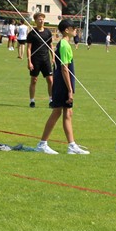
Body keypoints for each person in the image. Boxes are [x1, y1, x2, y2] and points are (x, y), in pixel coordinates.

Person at [36, 21, 88, 155]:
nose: (76, 30)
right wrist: (70, 90)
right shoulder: (64, 45)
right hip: (62, 84)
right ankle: (42, 144)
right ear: (66, 30)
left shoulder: (65, 44)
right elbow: (65, 69)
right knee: (57, 112)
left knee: (68, 113)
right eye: (73, 28)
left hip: (64, 83)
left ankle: (71, 145)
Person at [25, 12, 54, 108]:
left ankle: (51, 100)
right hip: (35, 60)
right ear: (35, 21)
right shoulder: (32, 33)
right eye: (39, 19)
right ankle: (32, 101)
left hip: (46, 59)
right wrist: (29, 62)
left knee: (50, 80)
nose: (41, 21)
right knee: (34, 80)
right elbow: (29, 48)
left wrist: (53, 57)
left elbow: (51, 46)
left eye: (42, 19)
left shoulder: (48, 32)